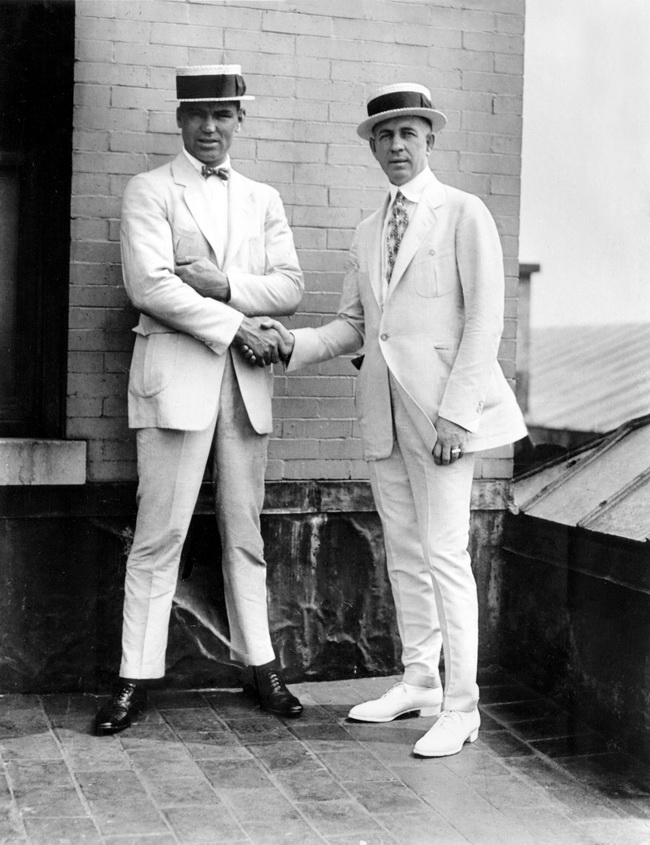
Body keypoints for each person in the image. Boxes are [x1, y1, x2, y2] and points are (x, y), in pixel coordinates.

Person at [261, 83, 527, 757]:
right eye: (384, 135)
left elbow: (485, 321)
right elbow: (358, 326)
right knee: (406, 555)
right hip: (382, 412)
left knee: (445, 556)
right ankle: (420, 682)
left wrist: (457, 416)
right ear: (373, 146)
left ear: (429, 138)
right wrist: (292, 345)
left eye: (409, 132)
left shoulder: (464, 214)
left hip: (442, 420)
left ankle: (463, 706)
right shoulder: (365, 228)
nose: (397, 145)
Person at [94, 64, 305, 736]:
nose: (210, 127)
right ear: (180, 118)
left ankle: (262, 665)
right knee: (159, 534)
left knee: (245, 531)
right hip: (175, 382)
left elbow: (290, 288)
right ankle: (133, 676)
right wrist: (236, 321)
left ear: (240, 118)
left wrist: (223, 283)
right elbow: (148, 286)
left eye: (223, 114)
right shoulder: (149, 190)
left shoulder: (263, 198)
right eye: (197, 114)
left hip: (244, 389)